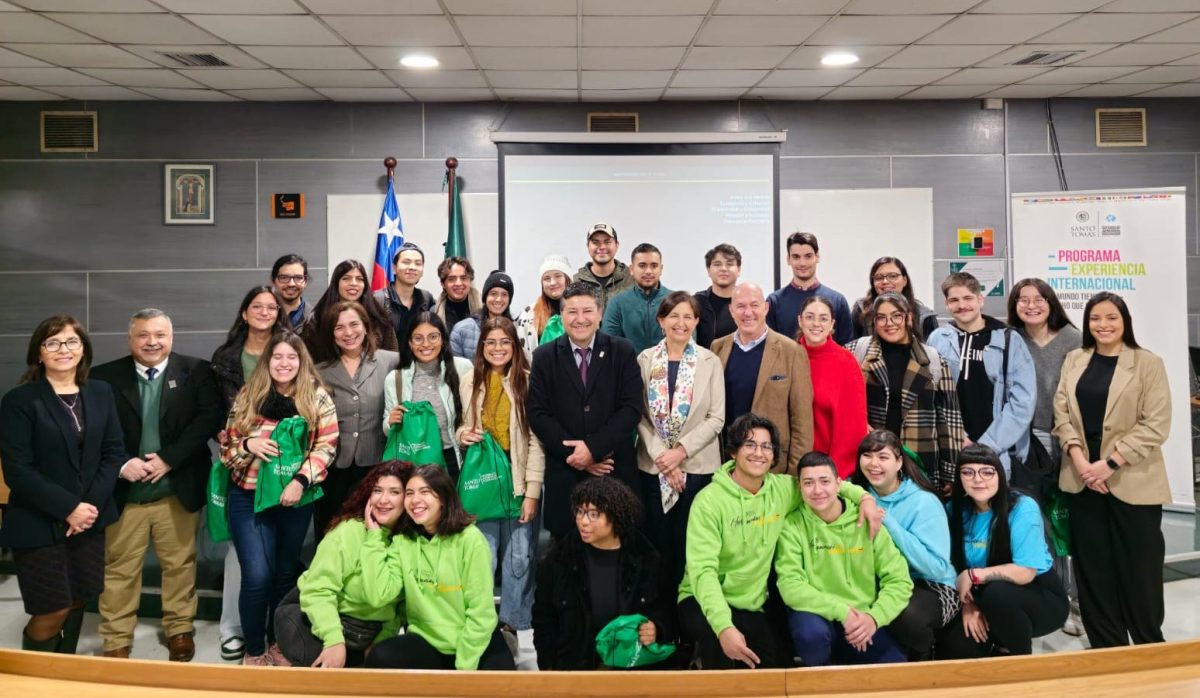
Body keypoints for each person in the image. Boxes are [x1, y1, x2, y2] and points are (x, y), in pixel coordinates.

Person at [677, 413, 880, 671]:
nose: (758, 453)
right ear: (733, 452)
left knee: (777, 668)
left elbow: (824, 485)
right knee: (722, 655)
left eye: (766, 446)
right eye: (749, 445)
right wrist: (724, 627)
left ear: (774, 455)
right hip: (701, 597)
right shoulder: (708, 502)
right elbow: (702, 572)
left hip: (752, 603)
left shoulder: (782, 490)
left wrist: (865, 499)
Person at [91, 309, 223, 661]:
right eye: (143, 335)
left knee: (180, 565)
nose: (152, 342)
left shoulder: (196, 372)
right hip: (125, 493)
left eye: (159, 335)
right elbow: (93, 433)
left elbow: (207, 420)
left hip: (176, 488)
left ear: (171, 337)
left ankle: (180, 630)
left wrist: (168, 458)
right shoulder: (103, 378)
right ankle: (116, 639)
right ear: (130, 339)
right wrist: (122, 463)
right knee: (120, 568)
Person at [0, 316, 126, 654]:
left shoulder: (100, 392)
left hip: (88, 519)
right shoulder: (20, 401)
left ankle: (64, 671)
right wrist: (69, 509)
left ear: (83, 349)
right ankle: (36, 679)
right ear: (38, 353)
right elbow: (18, 470)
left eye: (71, 342)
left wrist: (87, 510)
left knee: (77, 599)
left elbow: (114, 454)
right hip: (38, 522)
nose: (63, 350)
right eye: (52, 343)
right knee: (52, 607)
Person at [1053, 292, 1170, 648]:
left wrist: (1110, 464)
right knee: (1094, 570)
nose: (1103, 325)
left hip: (1132, 482)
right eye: (1095, 319)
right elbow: (1062, 414)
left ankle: (1149, 645)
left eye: (1111, 318)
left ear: (1125, 322)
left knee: (1141, 570)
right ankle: (1108, 647)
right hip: (1082, 480)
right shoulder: (1074, 359)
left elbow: (1156, 424)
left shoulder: (1147, 363)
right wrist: (1082, 462)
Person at [218, 331, 338, 666]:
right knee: (256, 576)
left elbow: (326, 446)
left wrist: (300, 480)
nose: (284, 364)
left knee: (286, 574)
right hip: (249, 496)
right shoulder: (249, 396)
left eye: (291, 358)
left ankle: (279, 644)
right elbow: (226, 450)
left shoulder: (317, 398)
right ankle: (255, 649)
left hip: (295, 498)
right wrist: (248, 446)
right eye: (277, 357)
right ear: (266, 362)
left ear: (302, 362)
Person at [362, 465, 516, 670]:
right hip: (427, 641)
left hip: (472, 641)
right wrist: (374, 538)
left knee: (504, 686)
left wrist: (463, 669)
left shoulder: (470, 540)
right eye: (409, 493)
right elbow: (379, 595)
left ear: (443, 498)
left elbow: (482, 613)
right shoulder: (403, 541)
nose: (415, 500)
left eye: (425, 492)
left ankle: (506, 644)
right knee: (379, 657)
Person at [209, 284, 290, 661]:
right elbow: (219, 415)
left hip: (285, 469)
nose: (263, 311)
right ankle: (234, 630)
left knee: (275, 561)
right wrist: (239, 447)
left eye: (270, 307)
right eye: (256, 306)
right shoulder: (226, 357)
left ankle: (273, 634)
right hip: (242, 462)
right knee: (241, 556)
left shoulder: (289, 351)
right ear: (244, 313)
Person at [528, 282, 643, 540]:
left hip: (614, 473)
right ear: (561, 316)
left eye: (588, 311)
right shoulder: (545, 356)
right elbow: (538, 413)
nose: (580, 319)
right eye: (572, 312)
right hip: (566, 474)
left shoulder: (622, 351)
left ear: (600, 313)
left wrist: (592, 449)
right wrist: (576, 454)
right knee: (567, 561)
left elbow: (631, 408)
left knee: (617, 554)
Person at [456, 316, 545, 645]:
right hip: (482, 480)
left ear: (515, 346)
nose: (497, 348)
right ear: (481, 347)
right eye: (490, 343)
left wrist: (532, 492)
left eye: (504, 342)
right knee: (483, 555)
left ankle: (513, 624)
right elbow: (459, 426)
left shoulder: (527, 381)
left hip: (518, 480)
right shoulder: (469, 381)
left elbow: (537, 441)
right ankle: (482, 623)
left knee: (519, 556)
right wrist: (463, 434)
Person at [777, 452, 912, 667]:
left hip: (862, 618)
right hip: (820, 616)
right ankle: (822, 678)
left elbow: (899, 580)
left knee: (896, 668)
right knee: (810, 635)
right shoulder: (791, 526)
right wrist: (842, 613)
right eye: (808, 483)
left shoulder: (866, 519)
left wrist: (874, 618)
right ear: (799, 488)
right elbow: (790, 585)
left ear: (839, 484)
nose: (818, 490)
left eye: (825, 481)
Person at [274, 461, 412, 668]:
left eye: (394, 492)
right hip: (313, 613)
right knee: (323, 667)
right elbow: (318, 590)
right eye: (377, 490)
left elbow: (398, 605)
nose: (383, 500)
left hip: (366, 630)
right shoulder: (349, 531)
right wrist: (333, 640)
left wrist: (383, 639)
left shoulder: (408, 541)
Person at [533, 477, 675, 670]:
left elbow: (667, 606)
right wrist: (548, 667)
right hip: (576, 668)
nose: (583, 521)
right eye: (580, 512)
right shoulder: (559, 560)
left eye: (594, 514)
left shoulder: (647, 559)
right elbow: (544, 618)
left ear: (616, 517)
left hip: (632, 667)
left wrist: (657, 627)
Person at [1007, 277, 1084, 636]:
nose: (1031, 305)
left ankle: (1081, 602)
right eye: (1024, 300)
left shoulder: (1074, 339)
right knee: (1040, 523)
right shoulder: (1010, 339)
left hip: (1071, 440)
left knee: (1074, 522)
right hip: (1027, 443)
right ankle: (1055, 600)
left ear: (1051, 302)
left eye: (1039, 299)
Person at [938, 445, 1067, 658]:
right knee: (957, 647)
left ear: (1000, 475)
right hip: (979, 594)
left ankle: (1017, 662)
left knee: (997, 594)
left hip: (1036, 595)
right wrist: (967, 605)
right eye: (968, 472)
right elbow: (951, 565)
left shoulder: (1022, 507)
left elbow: (1025, 572)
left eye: (987, 472)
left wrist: (973, 575)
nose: (978, 479)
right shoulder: (954, 510)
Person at [635, 291, 724, 587]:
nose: (681, 323)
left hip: (698, 469)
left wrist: (680, 453)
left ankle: (690, 619)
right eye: (674, 316)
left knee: (692, 548)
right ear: (661, 320)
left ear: (696, 321)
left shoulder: (709, 361)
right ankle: (660, 621)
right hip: (653, 468)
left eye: (688, 317)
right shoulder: (645, 360)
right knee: (658, 548)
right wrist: (665, 457)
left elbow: (716, 418)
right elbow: (639, 416)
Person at [851, 430, 957, 661]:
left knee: (903, 613)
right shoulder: (858, 495)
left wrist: (889, 522)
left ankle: (926, 654)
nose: (874, 464)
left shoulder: (924, 502)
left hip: (931, 584)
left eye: (883, 457)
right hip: (883, 579)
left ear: (899, 462)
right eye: (867, 456)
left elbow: (938, 567)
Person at [847, 293, 964, 492]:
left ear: (908, 318)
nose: (889, 323)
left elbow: (949, 420)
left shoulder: (933, 360)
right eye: (881, 317)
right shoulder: (856, 353)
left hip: (919, 460)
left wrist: (950, 471)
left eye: (896, 316)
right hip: (871, 462)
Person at [927, 272, 1035, 481]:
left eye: (968, 298)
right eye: (954, 300)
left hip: (998, 450)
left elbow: (1022, 401)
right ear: (947, 305)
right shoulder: (937, 338)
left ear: (980, 300)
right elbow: (931, 396)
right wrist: (955, 435)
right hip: (951, 447)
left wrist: (987, 445)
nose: (962, 305)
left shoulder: (1009, 339)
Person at [313, 301, 401, 541]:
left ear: (366, 327)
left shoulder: (389, 361)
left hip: (376, 464)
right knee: (333, 533)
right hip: (334, 466)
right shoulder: (319, 371)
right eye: (339, 327)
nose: (348, 333)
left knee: (374, 531)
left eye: (354, 324)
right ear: (331, 333)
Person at [710, 283, 813, 474]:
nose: (748, 312)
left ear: (765, 308)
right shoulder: (717, 348)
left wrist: (795, 474)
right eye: (740, 306)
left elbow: (802, 420)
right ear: (732, 311)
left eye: (754, 305)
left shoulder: (791, 351)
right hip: (726, 464)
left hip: (773, 466)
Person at [382, 312, 472, 479]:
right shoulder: (395, 379)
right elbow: (387, 428)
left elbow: (473, 414)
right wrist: (390, 421)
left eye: (433, 337)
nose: (426, 344)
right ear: (409, 342)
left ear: (443, 339)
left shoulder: (463, 368)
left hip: (455, 459)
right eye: (418, 338)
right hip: (415, 459)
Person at [798, 296, 867, 477]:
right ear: (800, 320)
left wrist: (834, 474)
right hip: (793, 467)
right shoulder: (789, 356)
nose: (816, 324)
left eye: (823, 318)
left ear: (832, 324)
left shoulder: (846, 362)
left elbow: (852, 429)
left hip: (831, 471)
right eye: (810, 317)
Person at [303, 259, 398, 363]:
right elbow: (309, 362)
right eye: (346, 278)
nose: (353, 283)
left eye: (359, 279)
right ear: (336, 283)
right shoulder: (317, 320)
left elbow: (392, 357)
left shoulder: (379, 317)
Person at [767, 232, 853, 345]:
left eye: (808, 256)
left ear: (817, 257)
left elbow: (847, 347)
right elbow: (770, 347)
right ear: (788, 259)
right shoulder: (774, 301)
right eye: (796, 257)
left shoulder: (838, 300)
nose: (802, 263)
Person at [602, 243, 671, 355]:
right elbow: (609, 346)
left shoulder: (676, 302)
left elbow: (687, 343)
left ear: (661, 269)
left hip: (670, 370)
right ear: (632, 269)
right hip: (629, 370)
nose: (648, 271)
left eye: (654, 265)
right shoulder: (617, 303)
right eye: (642, 265)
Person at [849, 257, 939, 341]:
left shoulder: (925, 316)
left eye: (892, 276)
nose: (885, 281)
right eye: (879, 278)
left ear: (904, 280)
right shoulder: (861, 310)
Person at [373, 242, 434, 347]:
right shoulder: (378, 299)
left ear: (422, 271)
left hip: (417, 362)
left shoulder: (426, 298)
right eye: (406, 262)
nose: (412, 267)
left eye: (418, 263)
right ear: (394, 268)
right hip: (387, 362)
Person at [515, 253, 572, 362]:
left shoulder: (581, 312)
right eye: (547, 278)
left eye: (558, 276)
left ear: (567, 279)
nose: (552, 282)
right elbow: (521, 354)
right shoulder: (529, 313)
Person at [451, 270, 515, 359]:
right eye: (493, 294)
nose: (498, 299)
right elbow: (457, 368)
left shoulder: (516, 329)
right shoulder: (461, 330)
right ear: (485, 297)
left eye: (504, 294)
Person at [572, 222, 633, 312]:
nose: (602, 247)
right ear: (588, 246)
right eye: (595, 242)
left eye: (607, 242)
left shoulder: (631, 278)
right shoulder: (576, 282)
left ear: (617, 245)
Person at [694, 243, 741, 349]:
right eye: (717, 264)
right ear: (708, 270)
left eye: (729, 264)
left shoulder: (748, 303)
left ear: (739, 270)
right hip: (706, 364)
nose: (723, 269)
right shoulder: (696, 303)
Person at [435, 256, 481, 331]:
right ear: (443, 284)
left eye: (463, 278)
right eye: (451, 279)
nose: (458, 283)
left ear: (470, 281)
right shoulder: (434, 313)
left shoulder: (485, 308)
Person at [271, 254, 312, 331]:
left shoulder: (316, 319)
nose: (291, 284)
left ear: (305, 281)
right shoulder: (263, 316)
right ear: (273, 281)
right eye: (284, 278)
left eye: (298, 278)